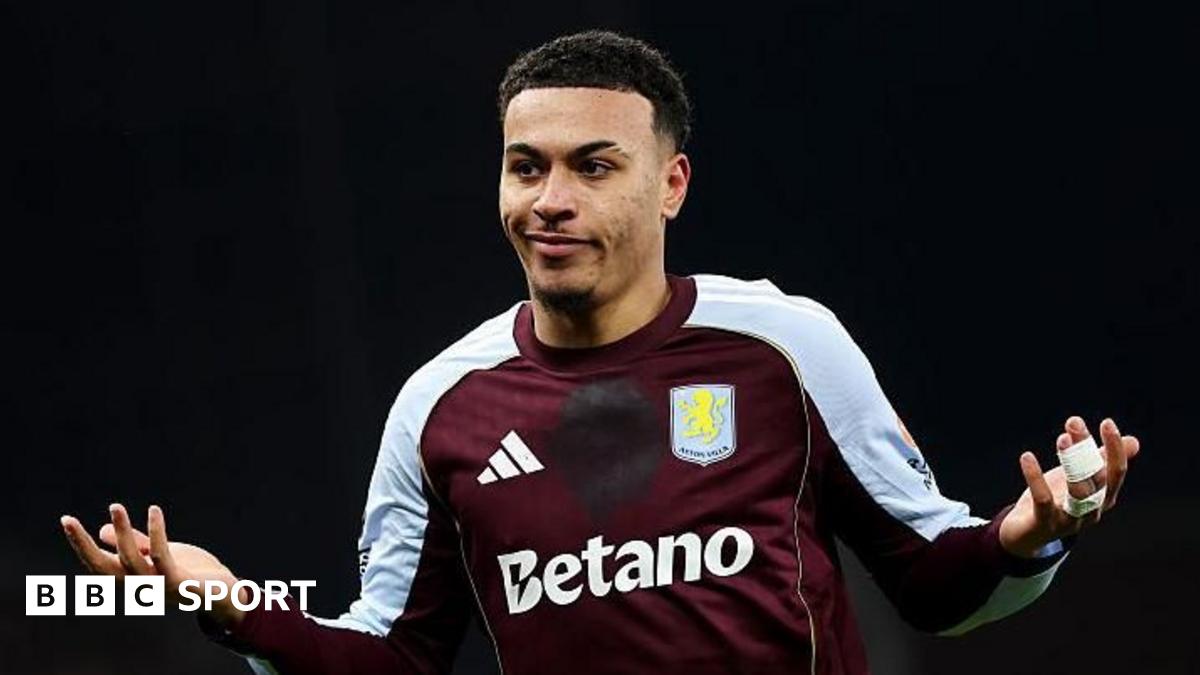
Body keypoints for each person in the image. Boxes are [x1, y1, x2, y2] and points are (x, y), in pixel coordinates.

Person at [60, 30, 1140, 674]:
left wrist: (1026, 536)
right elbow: (392, 658)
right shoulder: (440, 405)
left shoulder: (783, 346)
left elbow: (933, 583)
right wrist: (228, 603)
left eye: (592, 166)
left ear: (669, 184)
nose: (551, 200)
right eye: (525, 167)